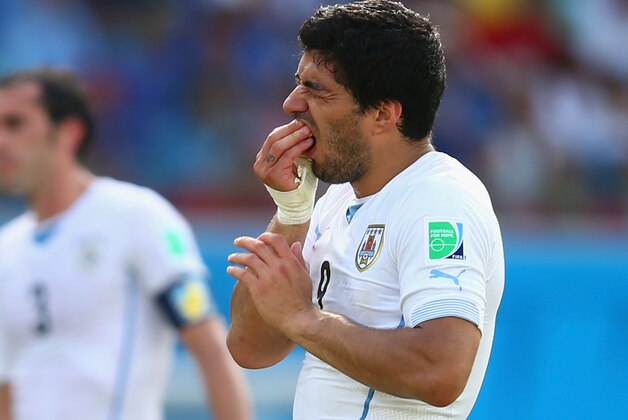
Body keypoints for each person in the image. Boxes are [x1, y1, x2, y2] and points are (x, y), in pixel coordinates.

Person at [226, 1, 505, 419]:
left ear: (382, 114)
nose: (291, 104)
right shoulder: (335, 201)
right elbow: (250, 347)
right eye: (298, 83)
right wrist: (293, 211)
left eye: (316, 89)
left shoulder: (440, 201)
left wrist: (305, 319)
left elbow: (442, 370)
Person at [0, 69, 251, 420]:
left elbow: (208, 345)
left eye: (15, 124)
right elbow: (7, 388)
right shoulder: (7, 248)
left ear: (67, 132)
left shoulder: (135, 216)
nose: (2, 141)